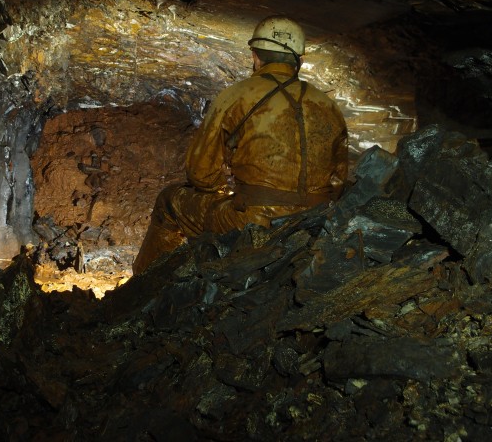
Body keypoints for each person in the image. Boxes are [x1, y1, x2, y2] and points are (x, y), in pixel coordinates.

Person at [132, 16, 348, 274]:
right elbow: (338, 182)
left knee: (169, 201)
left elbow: (200, 173)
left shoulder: (237, 95)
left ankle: (145, 286)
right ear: (300, 61)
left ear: (255, 56)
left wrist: (224, 190)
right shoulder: (329, 106)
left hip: (253, 220)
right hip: (313, 220)